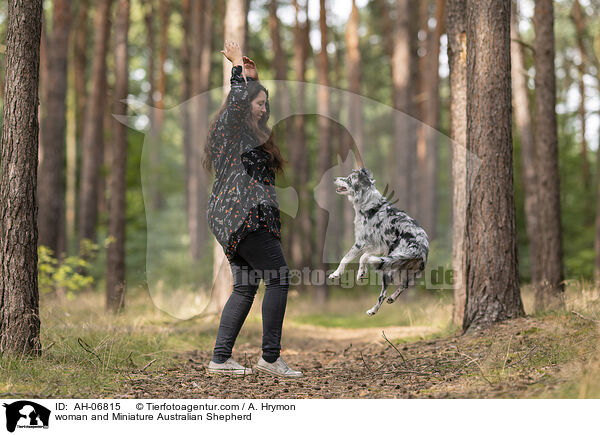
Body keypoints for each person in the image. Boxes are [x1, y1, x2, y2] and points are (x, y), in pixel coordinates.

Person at [202, 40, 303, 378]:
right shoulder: (228, 131)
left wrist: (254, 78)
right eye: (258, 104)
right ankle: (271, 359)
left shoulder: (252, 135)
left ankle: (220, 358)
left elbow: (254, 105)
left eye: (265, 103)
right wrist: (236, 71)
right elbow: (237, 103)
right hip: (243, 216)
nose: (263, 108)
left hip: (234, 218)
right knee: (279, 277)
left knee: (246, 286)